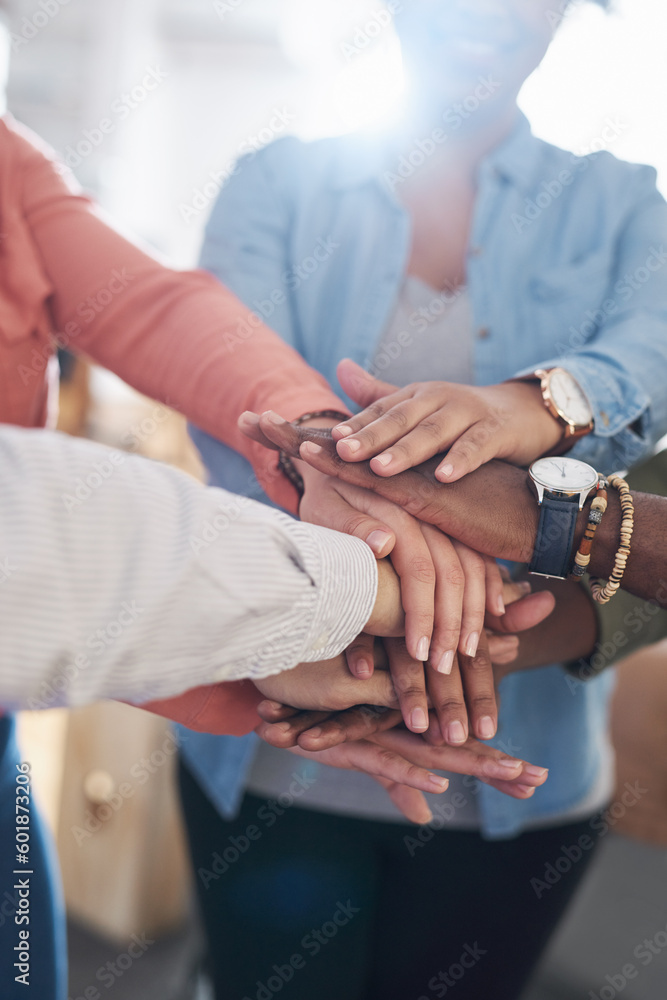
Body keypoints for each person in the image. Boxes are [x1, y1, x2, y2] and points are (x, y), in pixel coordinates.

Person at [183, 0, 667, 997]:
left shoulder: (627, 204)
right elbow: (238, 427)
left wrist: (538, 404)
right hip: (278, 760)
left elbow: (649, 366)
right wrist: (425, 549)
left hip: (521, 780)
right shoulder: (275, 185)